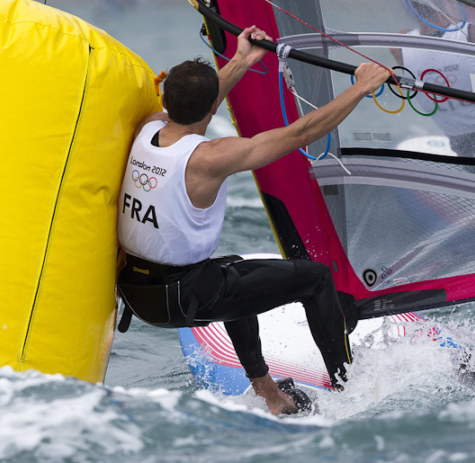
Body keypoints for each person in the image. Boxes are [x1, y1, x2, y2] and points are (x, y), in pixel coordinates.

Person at [116, 26, 391, 415]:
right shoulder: (209, 158)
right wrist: (361, 86)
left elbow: (199, 103)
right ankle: (351, 388)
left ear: (166, 98)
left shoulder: (149, 129)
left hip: (136, 292)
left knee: (233, 273)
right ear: (212, 108)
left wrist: (243, 60)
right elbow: (303, 132)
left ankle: (269, 394)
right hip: (183, 297)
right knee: (315, 279)